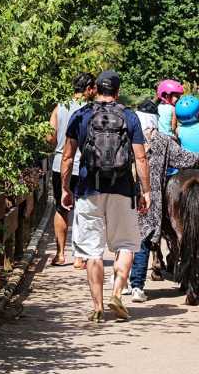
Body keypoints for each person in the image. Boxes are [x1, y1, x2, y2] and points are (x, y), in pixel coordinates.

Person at [61, 70, 151, 322]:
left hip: (89, 190)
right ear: (117, 92)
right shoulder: (129, 117)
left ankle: (98, 306)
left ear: (95, 89)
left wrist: (65, 188)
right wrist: (146, 191)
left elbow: (68, 157)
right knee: (126, 245)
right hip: (122, 190)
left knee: (92, 251)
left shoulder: (81, 116)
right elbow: (141, 157)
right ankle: (117, 294)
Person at [131, 128, 199, 302]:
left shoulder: (128, 135)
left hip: (130, 194)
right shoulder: (162, 140)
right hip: (150, 197)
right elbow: (182, 157)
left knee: (139, 240)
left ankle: (132, 284)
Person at [46, 72, 95, 269]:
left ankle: (59, 254)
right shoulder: (91, 110)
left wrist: (59, 144)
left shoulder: (59, 107)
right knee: (82, 210)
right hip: (83, 165)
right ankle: (79, 257)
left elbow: (49, 136)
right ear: (89, 88)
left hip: (60, 164)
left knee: (60, 208)